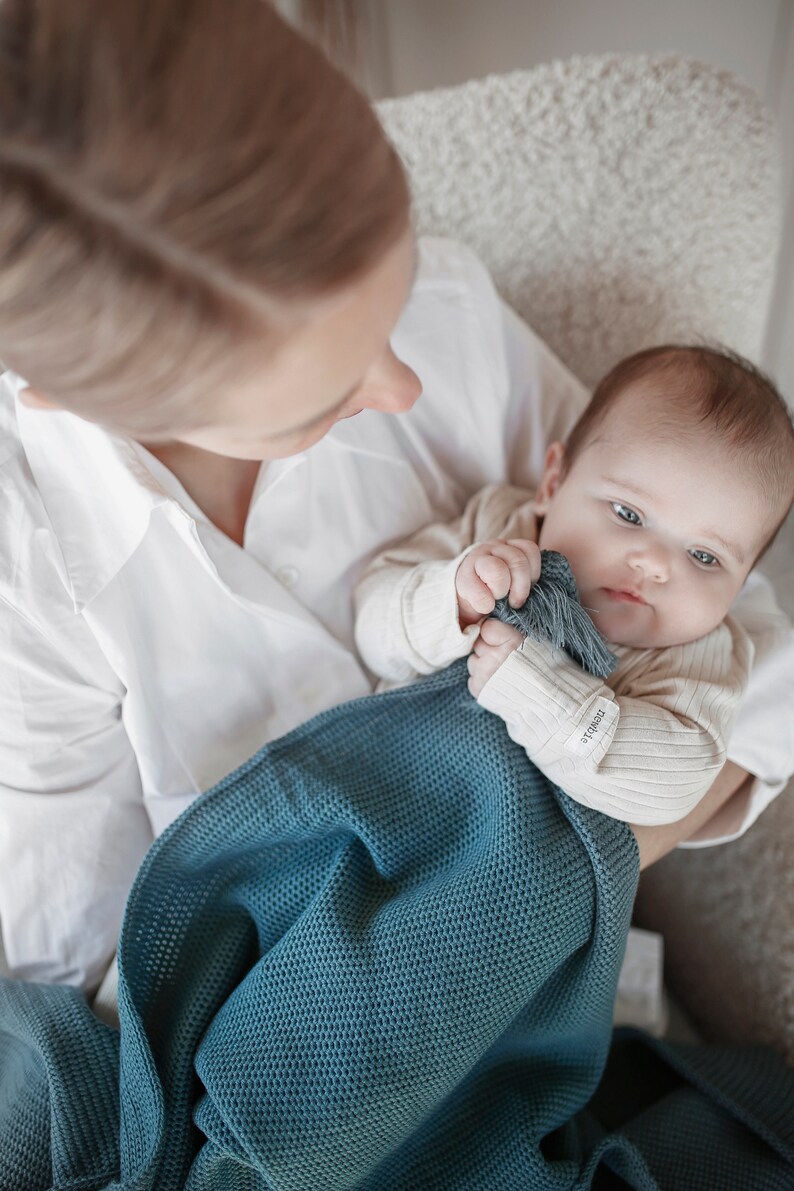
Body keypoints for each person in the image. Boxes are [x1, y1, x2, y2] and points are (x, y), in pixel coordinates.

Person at [0, 0, 791, 993]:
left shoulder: (447, 324)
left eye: (394, 288)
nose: (401, 390)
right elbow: (80, 980)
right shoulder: (34, 568)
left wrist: (531, 892)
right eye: (321, 403)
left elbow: (746, 651)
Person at [354, 345, 794, 826]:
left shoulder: (698, 658)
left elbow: (671, 787)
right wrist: (453, 599)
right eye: (629, 514)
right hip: (369, 780)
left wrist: (541, 693)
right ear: (551, 484)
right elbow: (372, 626)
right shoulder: (498, 528)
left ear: (743, 579)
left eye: (704, 556)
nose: (655, 565)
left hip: (500, 859)